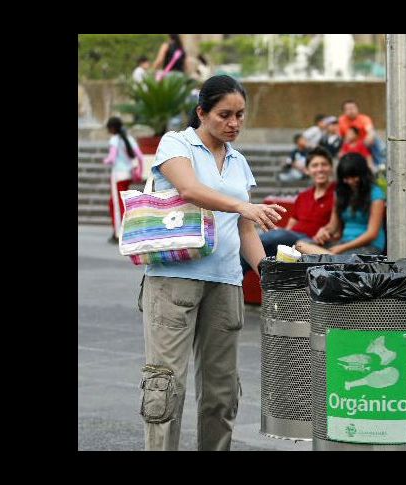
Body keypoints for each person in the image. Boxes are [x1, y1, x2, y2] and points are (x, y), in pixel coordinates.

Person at [138, 75, 286, 451]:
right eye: (224, 114)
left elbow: (246, 231)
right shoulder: (177, 143)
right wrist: (241, 204)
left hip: (226, 281)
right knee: (166, 385)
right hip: (174, 282)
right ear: (202, 112)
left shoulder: (239, 162)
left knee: (222, 390)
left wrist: (269, 275)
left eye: (240, 115)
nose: (234, 123)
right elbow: (189, 189)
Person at [240, 147, 336, 273]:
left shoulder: (337, 193)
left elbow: (339, 223)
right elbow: (291, 226)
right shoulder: (303, 196)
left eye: (324, 165)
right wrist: (281, 234)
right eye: (315, 165)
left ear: (331, 168)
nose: (320, 169)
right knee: (266, 243)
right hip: (293, 237)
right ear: (307, 170)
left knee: (270, 238)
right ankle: (237, 280)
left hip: (311, 241)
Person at [295, 152, 386, 256]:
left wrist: (341, 248)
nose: (350, 181)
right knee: (300, 245)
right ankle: (331, 258)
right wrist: (324, 232)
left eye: (354, 177)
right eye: (346, 178)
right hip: (344, 243)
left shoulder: (375, 193)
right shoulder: (340, 193)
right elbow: (333, 226)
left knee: (340, 256)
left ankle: (331, 258)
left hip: (369, 246)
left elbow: (372, 234)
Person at [103, 117, 144, 243]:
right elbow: (140, 157)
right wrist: (139, 171)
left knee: (117, 205)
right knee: (117, 203)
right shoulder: (129, 138)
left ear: (112, 128)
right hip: (127, 175)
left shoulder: (115, 140)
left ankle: (119, 234)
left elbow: (112, 157)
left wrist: (106, 160)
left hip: (117, 176)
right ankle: (124, 230)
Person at [338, 99, 386, 168]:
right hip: (351, 144)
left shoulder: (364, 118)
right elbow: (342, 137)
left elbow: (370, 131)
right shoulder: (341, 120)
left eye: (353, 108)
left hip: (366, 143)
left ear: (357, 109)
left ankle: (382, 162)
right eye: (348, 109)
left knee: (374, 136)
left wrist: (366, 141)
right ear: (344, 111)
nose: (351, 111)